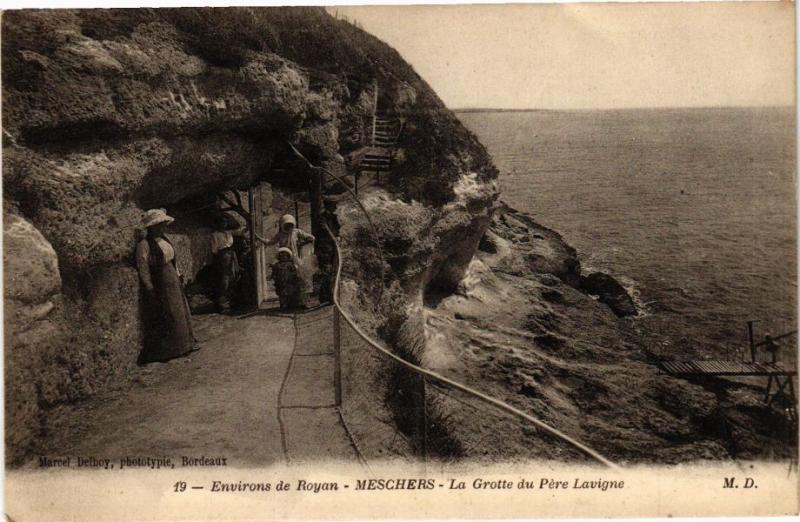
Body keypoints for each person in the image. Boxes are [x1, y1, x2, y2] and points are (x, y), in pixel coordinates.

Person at [135, 208, 197, 363]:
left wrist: (178, 274)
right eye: (159, 224)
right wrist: (149, 287)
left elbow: (172, 260)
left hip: (172, 278)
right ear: (152, 226)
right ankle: (174, 348)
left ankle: (187, 344)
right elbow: (143, 268)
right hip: (160, 281)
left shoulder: (164, 240)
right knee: (169, 312)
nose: (162, 227)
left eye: (163, 224)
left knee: (181, 310)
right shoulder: (144, 245)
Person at [210, 213, 241, 313]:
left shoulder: (229, 233)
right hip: (222, 255)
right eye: (221, 223)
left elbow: (241, 232)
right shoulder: (215, 235)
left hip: (231, 254)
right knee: (224, 281)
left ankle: (231, 302)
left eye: (225, 222)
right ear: (218, 224)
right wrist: (221, 258)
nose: (224, 224)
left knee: (233, 276)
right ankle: (223, 305)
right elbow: (214, 249)